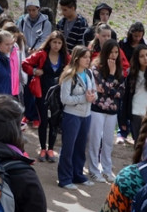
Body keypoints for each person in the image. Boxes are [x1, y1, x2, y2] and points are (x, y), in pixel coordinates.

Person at [23, 32, 67, 162]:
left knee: (54, 121)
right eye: (54, 42)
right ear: (49, 42)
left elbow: (72, 67)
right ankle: (42, 148)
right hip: (41, 93)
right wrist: (35, 71)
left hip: (58, 94)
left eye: (59, 43)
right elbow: (25, 63)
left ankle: (51, 149)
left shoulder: (64, 57)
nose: (56, 45)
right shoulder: (42, 54)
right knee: (43, 121)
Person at [57, 46, 96, 190]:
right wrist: (83, 98)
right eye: (85, 57)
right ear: (77, 58)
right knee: (68, 148)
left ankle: (77, 174)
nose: (88, 60)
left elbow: (94, 92)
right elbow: (65, 99)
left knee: (80, 147)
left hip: (86, 115)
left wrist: (92, 97)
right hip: (72, 116)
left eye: (88, 57)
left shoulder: (89, 73)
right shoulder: (69, 75)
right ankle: (65, 178)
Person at [86, 39, 124, 184]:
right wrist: (111, 76)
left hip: (112, 111)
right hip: (97, 109)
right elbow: (103, 89)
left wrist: (109, 87)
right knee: (95, 140)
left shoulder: (121, 70)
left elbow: (120, 92)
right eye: (111, 52)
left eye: (116, 52)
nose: (114, 55)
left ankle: (107, 170)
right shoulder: (96, 69)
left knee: (108, 141)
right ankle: (94, 170)